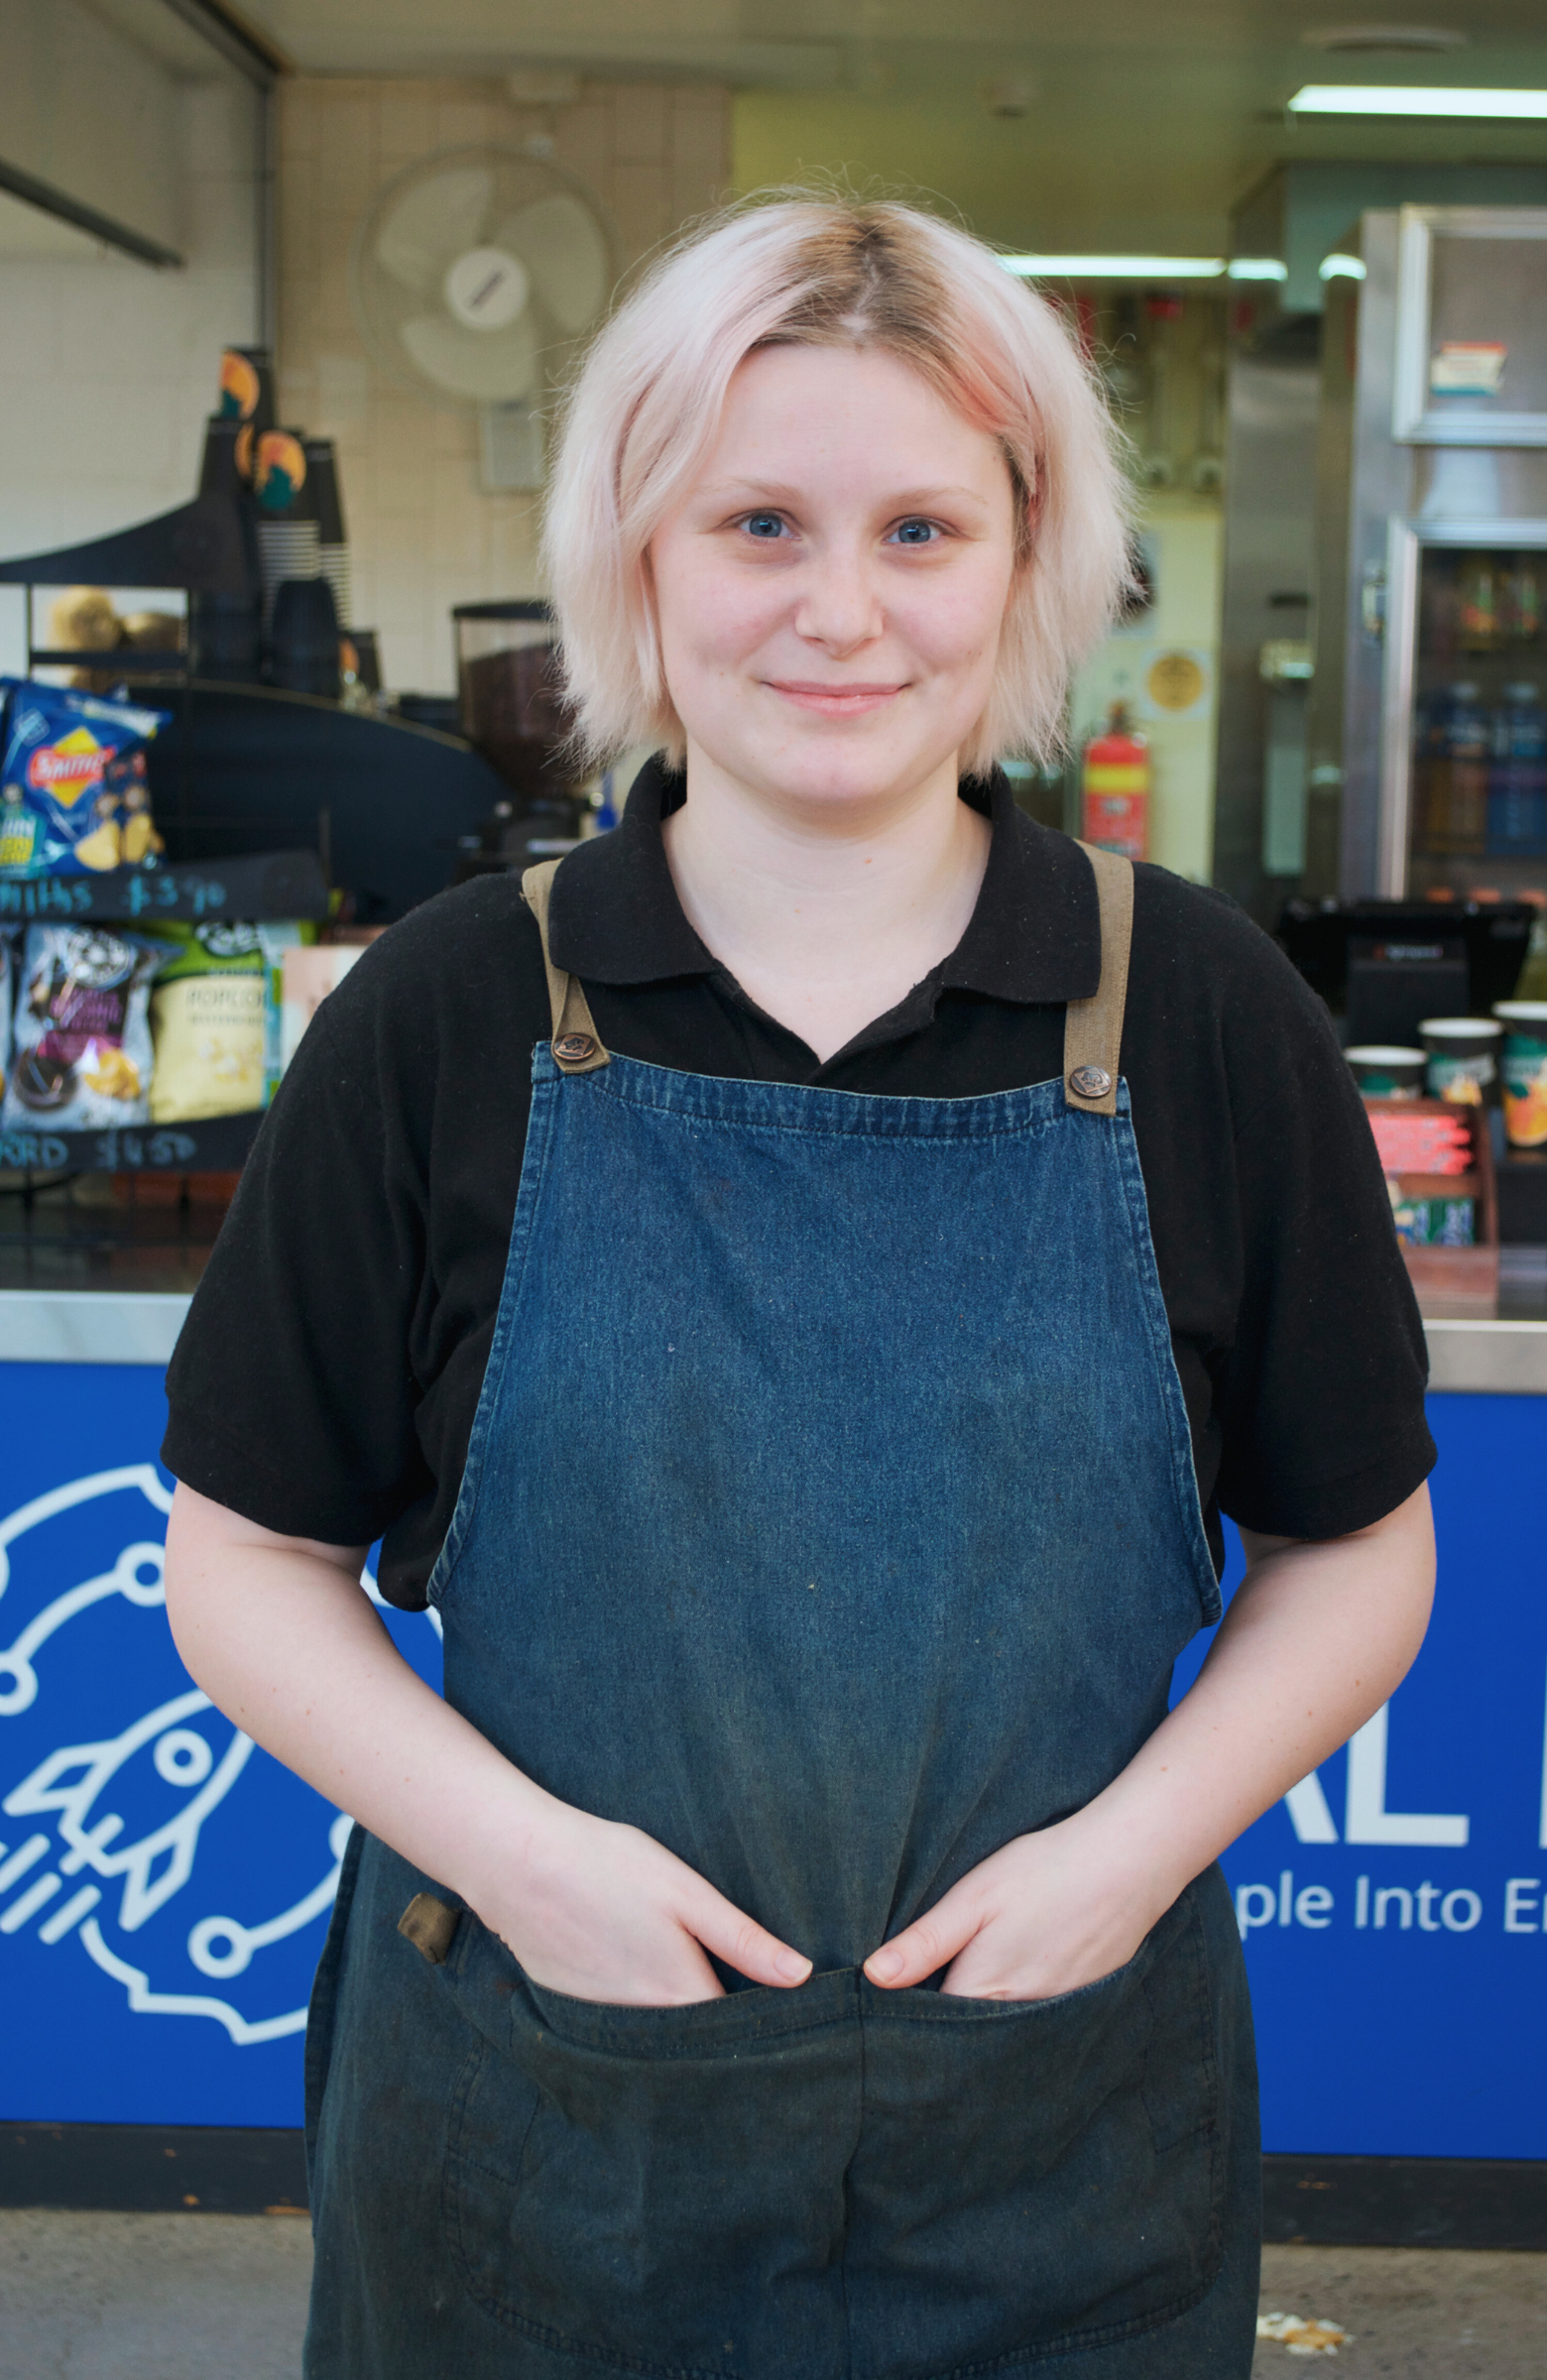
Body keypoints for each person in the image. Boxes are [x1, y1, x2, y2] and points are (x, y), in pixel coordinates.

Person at [163, 198, 1437, 2380]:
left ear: (1025, 563)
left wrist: (1128, 1857)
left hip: (1055, 2146)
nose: (839, 612)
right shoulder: (454, 1009)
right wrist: (528, 1863)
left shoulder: (1200, 1012)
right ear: (638, 556)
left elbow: (1355, 1547)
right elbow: (245, 1557)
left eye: (920, 529)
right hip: (534, 2137)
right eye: (759, 521)